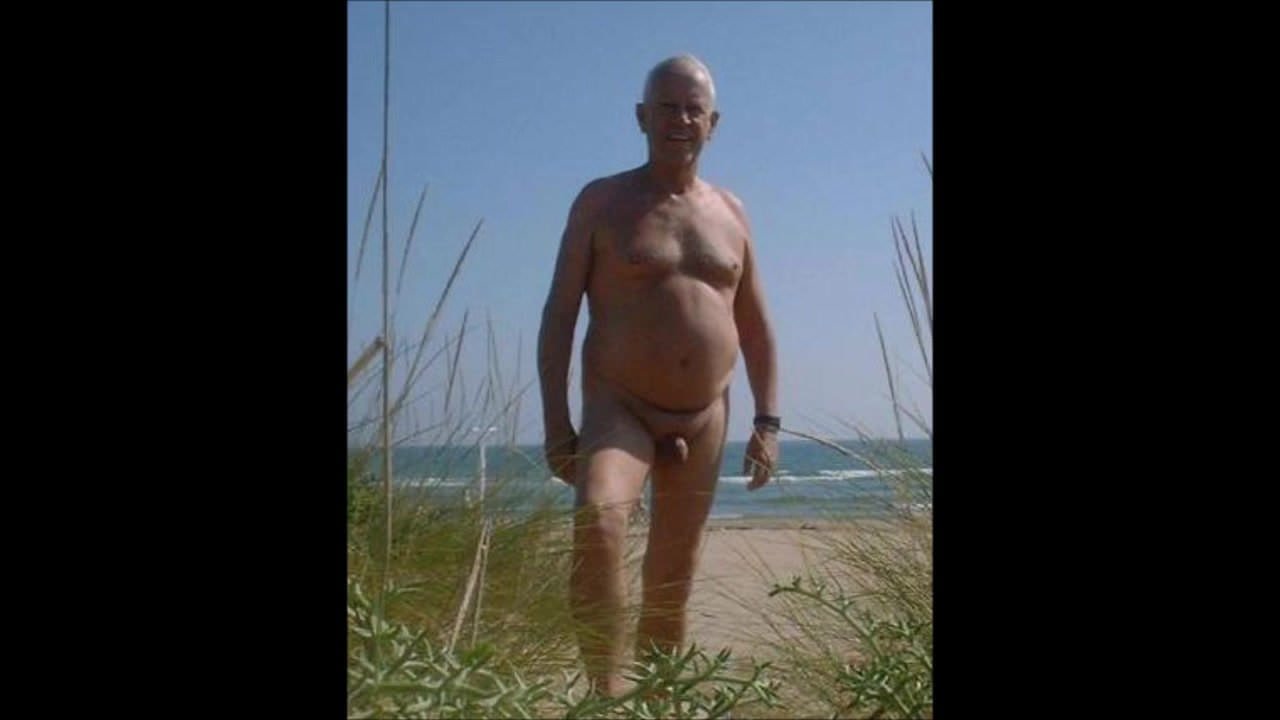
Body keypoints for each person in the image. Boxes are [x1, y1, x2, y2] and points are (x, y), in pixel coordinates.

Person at [537, 54, 781, 697]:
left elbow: (756, 325)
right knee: (598, 522)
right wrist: (556, 422)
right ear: (641, 117)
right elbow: (560, 314)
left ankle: (657, 701)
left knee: (672, 579)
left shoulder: (732, 212)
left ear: (713, 123)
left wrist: (768, 421)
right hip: (620, 406)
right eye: (667, 107)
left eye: (694, 109)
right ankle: (606, 692)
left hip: (705, 414)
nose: (681, 119)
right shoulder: (602, 202)